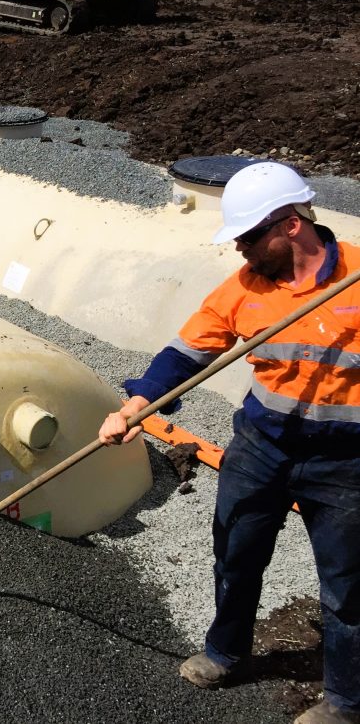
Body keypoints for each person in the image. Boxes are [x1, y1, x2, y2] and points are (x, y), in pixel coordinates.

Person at [99, 162, 360, 724]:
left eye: (247, 236)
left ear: (290, 225)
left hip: (346, 465)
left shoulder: (358, 276)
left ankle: (345, 703)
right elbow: (185, 353)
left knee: (346, 588)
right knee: (236, 557)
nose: (239, 249)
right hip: (260, 450)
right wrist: (136, 405)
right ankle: (226, 653)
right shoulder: (244, 289)